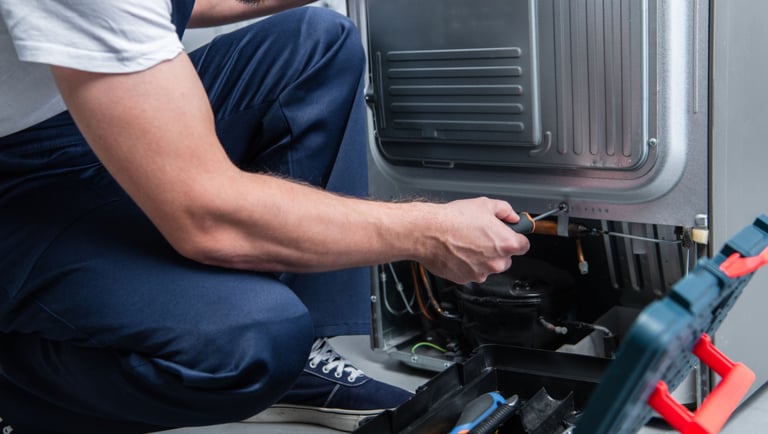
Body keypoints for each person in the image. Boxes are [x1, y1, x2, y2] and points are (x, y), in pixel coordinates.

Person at [0, 1, 530, 432]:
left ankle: (301, 367)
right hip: (15, 185)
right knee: (254, 342)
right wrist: (428, 230)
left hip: (65, 124)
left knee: (317, 41)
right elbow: (207, 218)